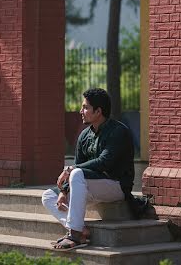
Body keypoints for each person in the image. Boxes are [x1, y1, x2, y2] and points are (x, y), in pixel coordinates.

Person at [42, 88, 148, 251]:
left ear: (98, 111)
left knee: (76, 172)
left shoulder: (118, 131)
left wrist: (70, 169)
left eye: (85, 107)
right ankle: (81, 230)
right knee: (48, 196)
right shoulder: (84, 136)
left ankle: (74, 235)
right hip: (90, 187)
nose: (81, 111)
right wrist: (64, 191)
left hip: (115, 186)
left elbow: (103, 162)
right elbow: (78, 167)